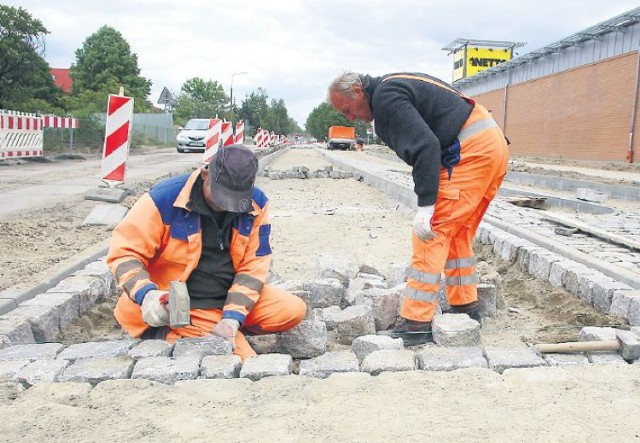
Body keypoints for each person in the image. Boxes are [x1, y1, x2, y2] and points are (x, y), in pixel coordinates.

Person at [328, 71, 508, 345]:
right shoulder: (395, 84)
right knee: (456, 233)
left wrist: (426, 205)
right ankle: (466, 310)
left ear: (357, 89)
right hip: (491, 146)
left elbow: (426, 146)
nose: (349, 117)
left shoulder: (387, 98)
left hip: (470, 151)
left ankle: (416, 324)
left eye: (347, 109)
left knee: (431, 232)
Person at [107, 144, 306, 359]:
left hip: (226, 296)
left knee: (292, 310)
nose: (227, 205)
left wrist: (232, 318)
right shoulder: (163, 199)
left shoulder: (256, 204)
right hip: (181, 304)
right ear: (205, 174)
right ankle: (169, 333)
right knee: (243, 360)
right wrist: (147, 294)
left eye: (234, 199)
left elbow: (253, 267)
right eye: (221, 196)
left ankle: (216, 330)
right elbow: (124, 253)